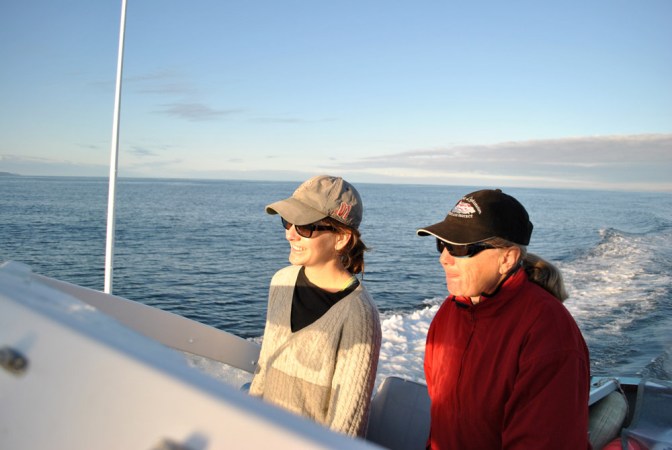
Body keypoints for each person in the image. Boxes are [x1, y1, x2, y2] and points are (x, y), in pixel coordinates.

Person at [416, 188, 591, 450]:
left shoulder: (548, 333)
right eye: (441, 244)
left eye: (459, 247)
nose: (444, 258)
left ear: (507, 259)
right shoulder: (449, 312)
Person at [249, 174, 381, 437]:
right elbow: (264, 368)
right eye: (288, 222)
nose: (290, 234)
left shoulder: (359, 315)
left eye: (304, 227)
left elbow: (347, 423)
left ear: (341, 238)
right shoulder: (282, 281)